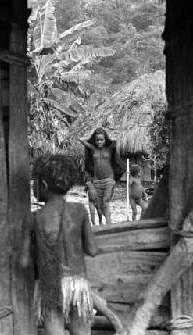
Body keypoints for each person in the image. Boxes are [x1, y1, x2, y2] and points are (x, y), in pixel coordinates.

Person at [21, 155, 100, 335]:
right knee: (81, 332)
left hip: (51, 286)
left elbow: (24, 262)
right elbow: (92, 250)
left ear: (44, 186)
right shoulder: (80, 211)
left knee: (54, 330)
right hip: (79, 284)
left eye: (34, 182)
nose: (33, 187)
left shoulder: (33, 218)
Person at [79, 128, 124, 225]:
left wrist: (107, 137)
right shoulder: (92, 149)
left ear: (105, 140)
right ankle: (103, 223)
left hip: (109, 180)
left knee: (105, 202)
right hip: (96, 181)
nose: (99, 142)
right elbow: (81, 140)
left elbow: (115, 140)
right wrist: (91, 137)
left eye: (101, 140)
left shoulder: (110, 149)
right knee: (98, 205)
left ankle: (109, 225)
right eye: (97, 140)